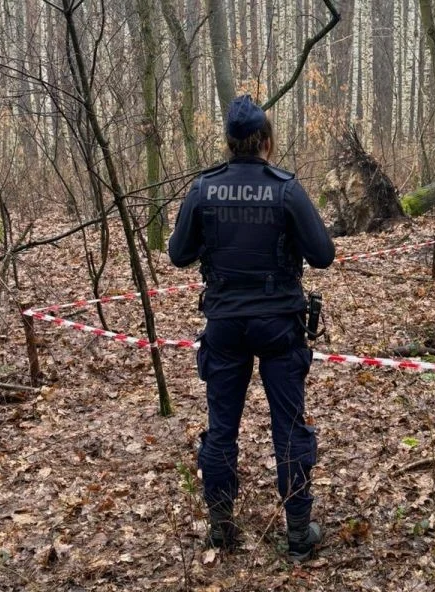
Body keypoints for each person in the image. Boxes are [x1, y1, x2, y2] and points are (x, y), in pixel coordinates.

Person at [168, 95, 335, 562]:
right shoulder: (285, 189)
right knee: (288, 427)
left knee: (222, 428)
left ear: (228, 142)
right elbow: (323, 253)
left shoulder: (205, 189)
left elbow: (178, 254)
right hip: (279, 325)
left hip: (224, 324)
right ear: (265, 140)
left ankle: (222, 526)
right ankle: (298, 533)